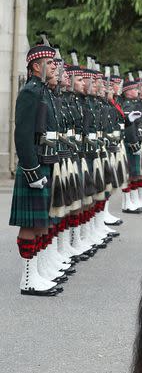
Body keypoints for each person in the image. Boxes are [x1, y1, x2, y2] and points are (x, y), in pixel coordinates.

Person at [9, 40, 64, 296]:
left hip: (46, 161)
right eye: (49, 63)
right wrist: (31, 170)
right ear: (35, 66)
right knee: (31, 224)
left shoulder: (44, 92)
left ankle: (38, 273)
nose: (54, 66)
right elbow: (22, 135)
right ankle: (28, 279)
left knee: (41, 223)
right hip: (35, 165)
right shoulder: (31, 92)